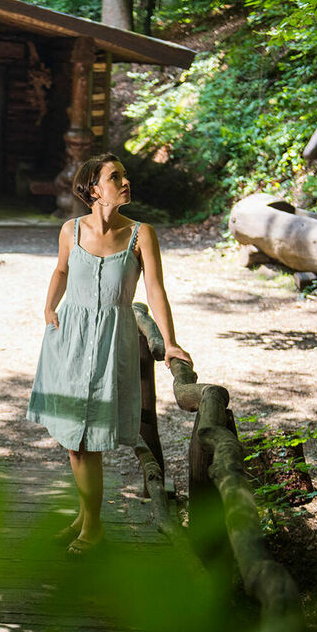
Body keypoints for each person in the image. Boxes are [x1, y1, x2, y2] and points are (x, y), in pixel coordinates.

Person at [26, 153, 192, 557]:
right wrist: (49, 307)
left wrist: (169, 343)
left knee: (90, 438)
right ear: (94, 189)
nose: (125, 181)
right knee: (72, 437)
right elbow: (62, 270)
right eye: (115, 176)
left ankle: (94, 527)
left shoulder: (141, 234)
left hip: (110, 341)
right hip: (68, 339)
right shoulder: (71, 230)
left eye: (124, 175)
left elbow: (155, 291)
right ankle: (85, 518)